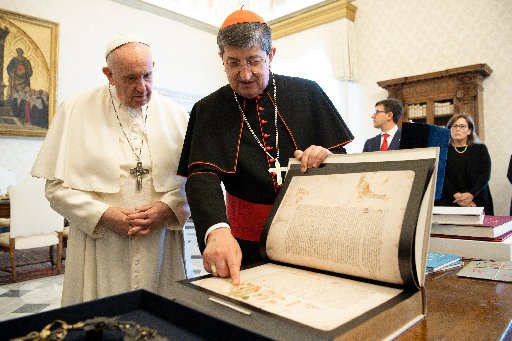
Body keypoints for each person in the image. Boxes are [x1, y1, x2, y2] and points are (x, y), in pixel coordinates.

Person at [177, 9, 353, 285]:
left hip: (312, 235)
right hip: (244, 242)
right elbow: (202, 176)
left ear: (271, 55)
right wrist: (216, 230)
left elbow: (340, 155)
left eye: (253, 61)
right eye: (233, 62)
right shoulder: (208, 109)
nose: (244, 74)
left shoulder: (307, 93)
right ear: (221, 59)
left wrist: (327, 156)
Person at [31, 34, 191, 305]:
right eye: (130, 78)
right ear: (109, 74)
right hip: (102, 244)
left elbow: (195, 180)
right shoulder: (76, 110)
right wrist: (103, 214)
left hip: (160, 241)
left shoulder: (176, 115)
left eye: (148, 76)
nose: (142, 88)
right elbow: (56, 188)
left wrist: (168, 207)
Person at [435, 113, 494, 215]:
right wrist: (458, 196)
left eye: (462, 126)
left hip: (477, 198)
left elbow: (485, 174)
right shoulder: (442, 151)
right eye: (454, 126)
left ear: (469, 131)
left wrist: (471, 194)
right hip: (450, 200)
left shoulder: (480, 149)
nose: (457, 129)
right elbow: (441, 176)